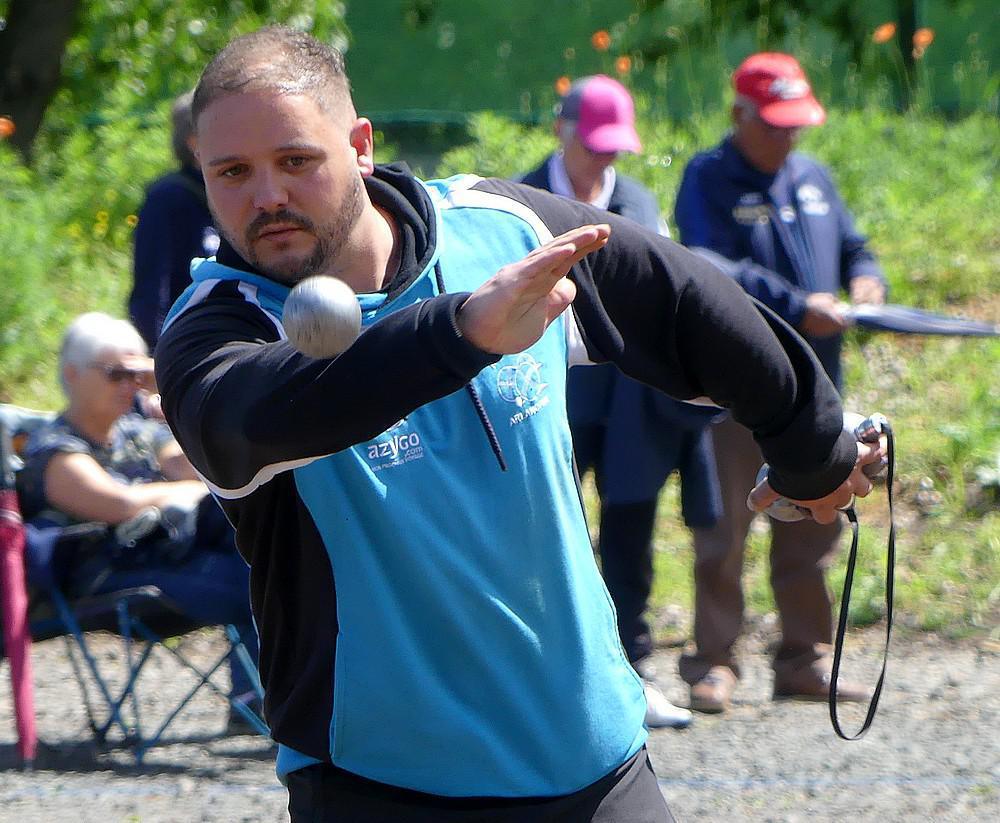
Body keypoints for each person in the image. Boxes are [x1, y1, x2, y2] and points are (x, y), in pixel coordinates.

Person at [155, 27, 883, 821]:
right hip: (383, 784)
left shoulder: (499, 232)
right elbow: (260, 414)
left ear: (360, 146)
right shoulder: (214, 332)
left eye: (296, 160)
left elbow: (684, 306)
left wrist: (809, 441)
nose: (266, 197)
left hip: (597, 760)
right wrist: (460, 331)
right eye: (232, 172)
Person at [673, 52, 887, 714]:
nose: (787, 136)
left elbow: (854, 244)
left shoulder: (812, 175)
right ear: (739, 115)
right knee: (725, 532)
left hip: (816, 390)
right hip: (736, 387)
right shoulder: (706, 178)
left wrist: (865, 277)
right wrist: (798, 304)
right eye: (774, 124)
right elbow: (708, 263)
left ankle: (804, 657)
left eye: (796, 125)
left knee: (817, 523)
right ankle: (713, 661)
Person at [519, 75, 723, 730]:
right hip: (547, 392)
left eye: (615, 147)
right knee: (542, 529)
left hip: (631, 395)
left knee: (630, 530)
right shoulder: (519, 199)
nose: (605, 159)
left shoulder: (638, 200)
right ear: (562, 130)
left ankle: (634, 668)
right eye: (593, 144)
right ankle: (542, 678)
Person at [16, 312, 259, 730]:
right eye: (117, 373)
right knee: (257, 580)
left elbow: (205, 468)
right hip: (108, 579)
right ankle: (267, 698)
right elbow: (118, 503)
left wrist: (171, 391)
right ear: (73, 375)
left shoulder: (137, 432)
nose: (130, 385)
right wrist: (190, 492)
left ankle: (262, 696)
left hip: (164, 561)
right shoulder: (52, 450)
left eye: (137, 373)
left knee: (260, 546)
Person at [128, 91, 220, 349]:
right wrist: (158, 359)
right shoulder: (167, 198)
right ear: (194, 142)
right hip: (185, 347)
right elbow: (151, 288)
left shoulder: (234, 192)